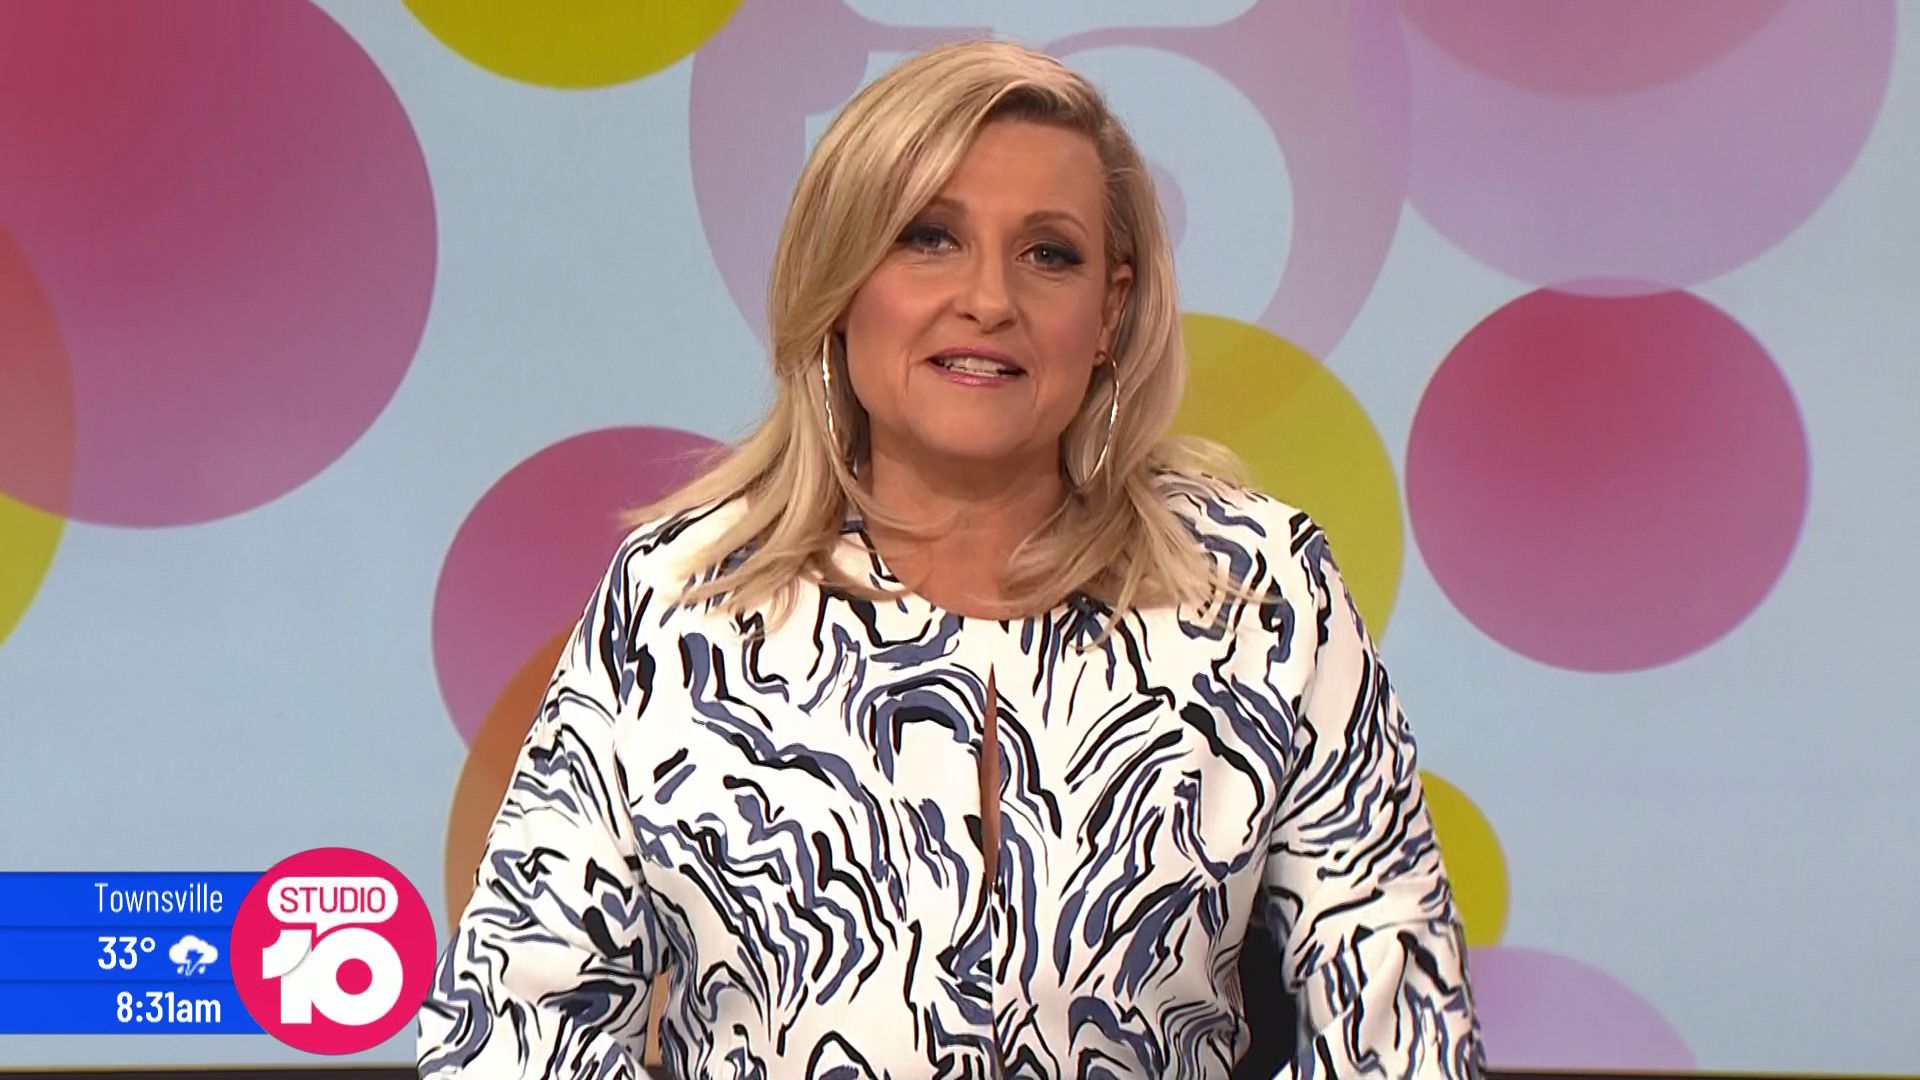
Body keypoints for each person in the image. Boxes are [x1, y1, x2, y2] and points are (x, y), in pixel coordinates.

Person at [417, 39, 1481, 1080]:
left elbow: (1403, 1030)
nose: (989, 299)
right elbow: (510, 1027)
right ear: (842, 282)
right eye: (929, 238)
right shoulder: (682, 600)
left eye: (1048, 254)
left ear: (1108, 312)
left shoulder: (1259, 592)